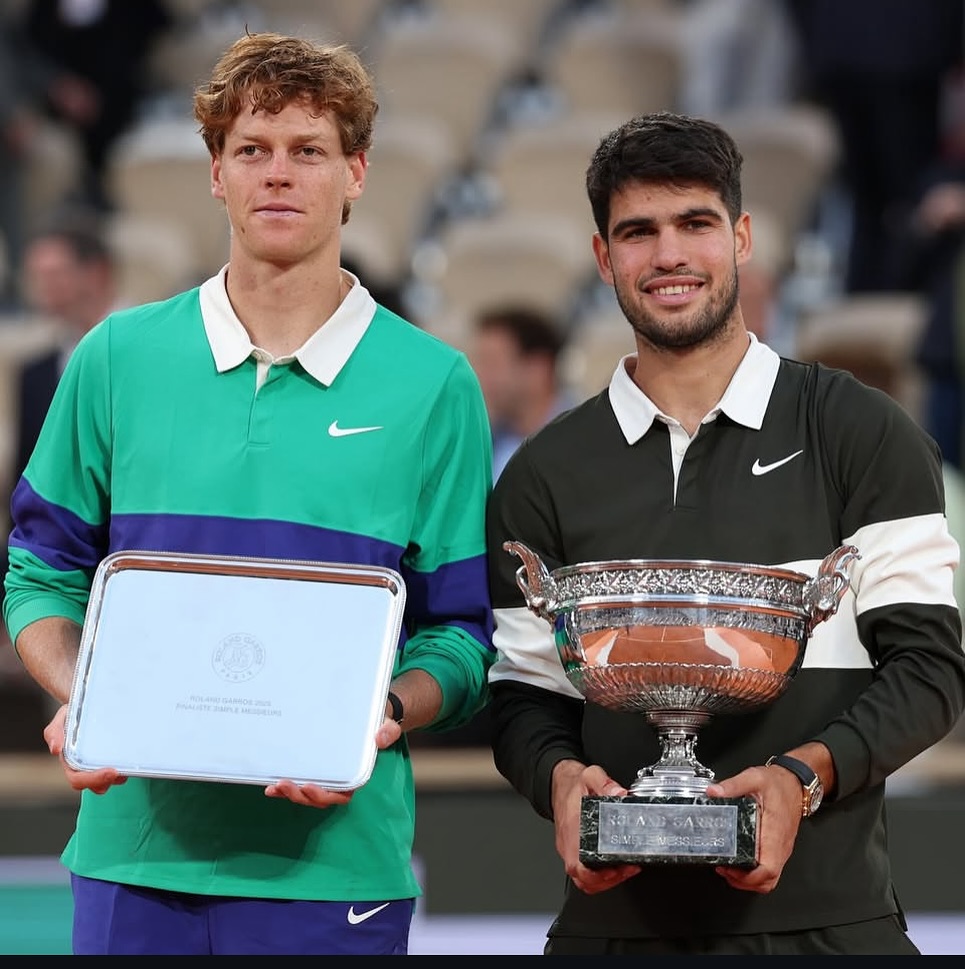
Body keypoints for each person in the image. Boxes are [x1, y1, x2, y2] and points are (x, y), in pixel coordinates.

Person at [2, 31, 494, 956]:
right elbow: (38, 569)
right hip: (130, 854)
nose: (279, 174)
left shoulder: (434, 383)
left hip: (334, 866)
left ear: (356, 172)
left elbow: (460, 631)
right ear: (215, 174)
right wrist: (84, 695)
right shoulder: (114, 357)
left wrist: (377, 717)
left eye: (308, 151)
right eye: (251, 150)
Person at [485, 111, 965, 955]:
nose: (667, 255)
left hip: (830, 926)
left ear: (739, 237)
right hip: (612, 929)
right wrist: (559, 782)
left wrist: (798, 779)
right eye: (637, 231)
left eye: (694, 224)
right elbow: (526, 698)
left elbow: (928, 670)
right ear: (603, 258)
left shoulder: (861, 432)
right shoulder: (543, 470)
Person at [11, 212, 119, 485]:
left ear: (97, 273)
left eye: (56, 274)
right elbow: (27, 478)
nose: (43, 288)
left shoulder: (155, 351)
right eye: (37, 276)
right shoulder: (34, 374)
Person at [468, 304, 576, 481]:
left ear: (538, 369)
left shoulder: (587, 440)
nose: (478, 374)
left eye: (492, 362)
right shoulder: (486, 444)